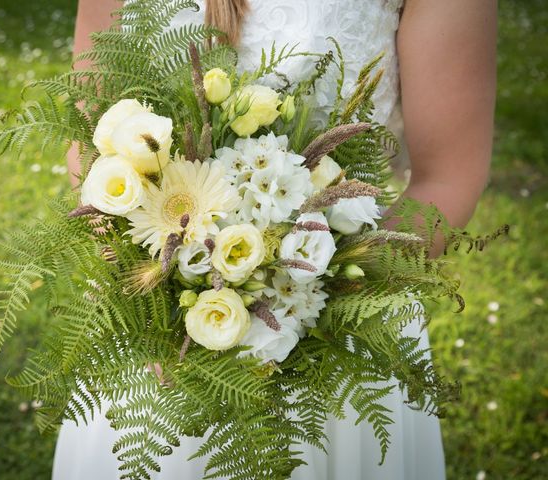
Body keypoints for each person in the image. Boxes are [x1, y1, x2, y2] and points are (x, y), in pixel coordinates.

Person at [54, 0, 497, 478]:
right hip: (145, 325)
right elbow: (90, 131)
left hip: (331, 334)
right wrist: (146, 287)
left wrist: (304, 298)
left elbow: (448, 178)